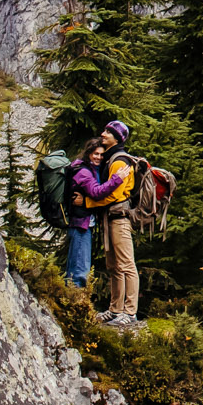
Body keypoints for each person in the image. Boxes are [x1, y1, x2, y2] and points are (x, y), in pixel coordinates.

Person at [73, 119, 142, 327]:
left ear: (117, 138)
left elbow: (115, 195)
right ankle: (115, 309)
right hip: (111, 218)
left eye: (108, 132)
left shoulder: (119, 161)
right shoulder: (110, 159)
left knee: (126, 264)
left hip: (119, 218)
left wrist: (87, 201)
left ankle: (129, 312)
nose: (103, 134)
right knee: (114, 265)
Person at [62, 136, 106, 291]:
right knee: (80, 266)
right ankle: (76, 300)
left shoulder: (83, 168)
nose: (99, 157)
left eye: (101, 154)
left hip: (80, 222)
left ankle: (70, 296)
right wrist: (117, 179)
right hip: (81, 223)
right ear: (88, 153)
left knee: (75, 263)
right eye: (96, 153)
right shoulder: (84, 172)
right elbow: (96, 192)